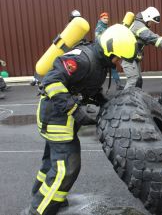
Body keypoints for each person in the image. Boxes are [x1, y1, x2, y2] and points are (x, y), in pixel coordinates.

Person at [24, 24, 136, 215]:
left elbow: (86, 86)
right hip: (55, 118)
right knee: (67, 167)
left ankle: (41, 196)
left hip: (60, 117)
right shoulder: (81, 59)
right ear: (109, 50)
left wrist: (102, 101)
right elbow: (51, 82)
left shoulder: (100, 62)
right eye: (118, 57)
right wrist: (75, 111)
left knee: (51, 163)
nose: (119, 62)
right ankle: (40, 210)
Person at [121, 6, 162, 89]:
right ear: (147, 17)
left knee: (138, 81)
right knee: (133, 81)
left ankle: (136, 99)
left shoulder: (139, 24)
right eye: (151, 22)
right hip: (128, 58)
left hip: (133, 58)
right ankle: (125, 101)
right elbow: (151, 37)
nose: (151, 24)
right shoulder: (138, 26)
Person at [95, 12, 123, 90]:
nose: (106, 20)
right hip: (102, 52)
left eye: (107, 18)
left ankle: (118, 84)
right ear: (101, 19)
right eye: (104, 18)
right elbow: (98, 40)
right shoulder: (99, 27)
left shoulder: (106, 27)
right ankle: (96, 86)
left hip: (108, 51)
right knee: (101, 70)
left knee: (113, 66)